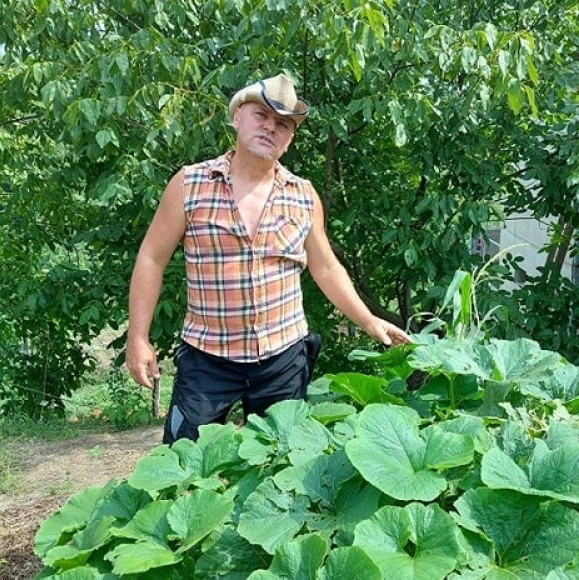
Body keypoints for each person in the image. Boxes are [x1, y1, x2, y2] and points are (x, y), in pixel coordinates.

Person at [125, 72, 411, 444]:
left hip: (282, 357)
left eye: (283, 124)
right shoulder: (190, 184)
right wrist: (137, 336)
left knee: (280, 467)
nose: (270, 128)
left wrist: (369, 319)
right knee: (183, 463)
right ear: (237, 117)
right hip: (207, 358)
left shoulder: (303, 195)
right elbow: (151, 258)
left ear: (290, 139)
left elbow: (325, 267)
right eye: (261, 115)